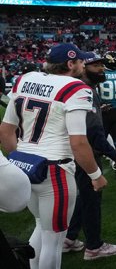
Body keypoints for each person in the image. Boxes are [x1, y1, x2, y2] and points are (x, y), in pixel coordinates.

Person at [0, 43, 108, 269]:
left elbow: (6, 131)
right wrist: (96, 175)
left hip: (25, 166)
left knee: (42, 226)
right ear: (71, 64)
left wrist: (20, 157)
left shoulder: (25, 79)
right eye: (80, 61)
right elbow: (78, 142)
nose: (82, 65)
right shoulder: (77, 88)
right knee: (54, 240)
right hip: (55, 170)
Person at [64, 53, 116, 260]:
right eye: (96, 65)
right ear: (82, 67)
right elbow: (93, 131)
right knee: (91, 200)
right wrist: (114, 154)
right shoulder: (83, 90)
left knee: (85, 196)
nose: (102, 68)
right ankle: (94, 247)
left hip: (72, 150)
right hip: (85, 152)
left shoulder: (76, 86)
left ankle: (70, 238)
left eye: (102, 65)